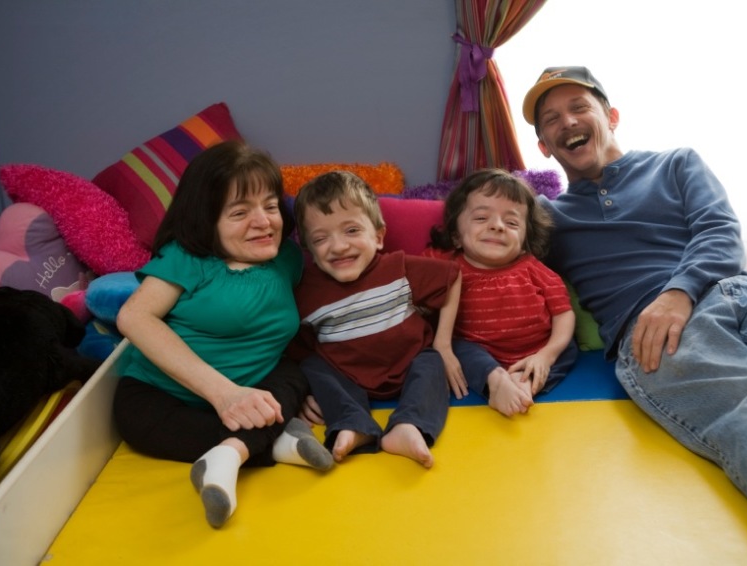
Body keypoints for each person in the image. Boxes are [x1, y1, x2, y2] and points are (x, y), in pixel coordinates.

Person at [523, 65, 747, 564]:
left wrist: (680, 290)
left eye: (579, 108)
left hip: (743, 293)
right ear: (544, 146)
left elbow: (718, 230)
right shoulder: (548, 218)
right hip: (654, 334)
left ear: (611, 116)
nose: (567, 122)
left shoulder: (676, 164)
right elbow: (481, 248)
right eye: (551, 120)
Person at [114, 141, 333, 529]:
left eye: (270, 206)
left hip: (258, 389)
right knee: (138, 424)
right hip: (166, 397)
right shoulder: (187, 258)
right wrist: (224, 394)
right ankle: (275, 442)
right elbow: (134, 317)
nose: (264, 222)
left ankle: (228, 455)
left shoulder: (287, 258)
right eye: (239, 212)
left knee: (293, 375)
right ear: (207, 219)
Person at [291, 171, 462, 469]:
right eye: (321, 238)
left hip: (409, 365)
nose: (339, 246)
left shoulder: (399, 268)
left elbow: (452, 277)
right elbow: (301, 349)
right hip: (347, 376)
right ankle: (353, 426)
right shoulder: (306, 293)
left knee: (432, 361)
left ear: (378, 237)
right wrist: (306, 392)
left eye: (352, 231)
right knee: (312, 366)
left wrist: (444, 343)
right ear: (309, 251)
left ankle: (409, 426)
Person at [424, 169, 577, 417]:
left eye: (512, 222)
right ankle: (495, 382)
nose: (497, 226)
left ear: (525, 238)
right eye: (482, 218)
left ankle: (527, 381)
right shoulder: (450, 268)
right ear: (456, 236)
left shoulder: (533, 268)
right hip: (481, 351)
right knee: (459, 350)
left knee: (566, 347)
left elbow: (563, 314)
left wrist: (546, 355)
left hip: (537, 347)